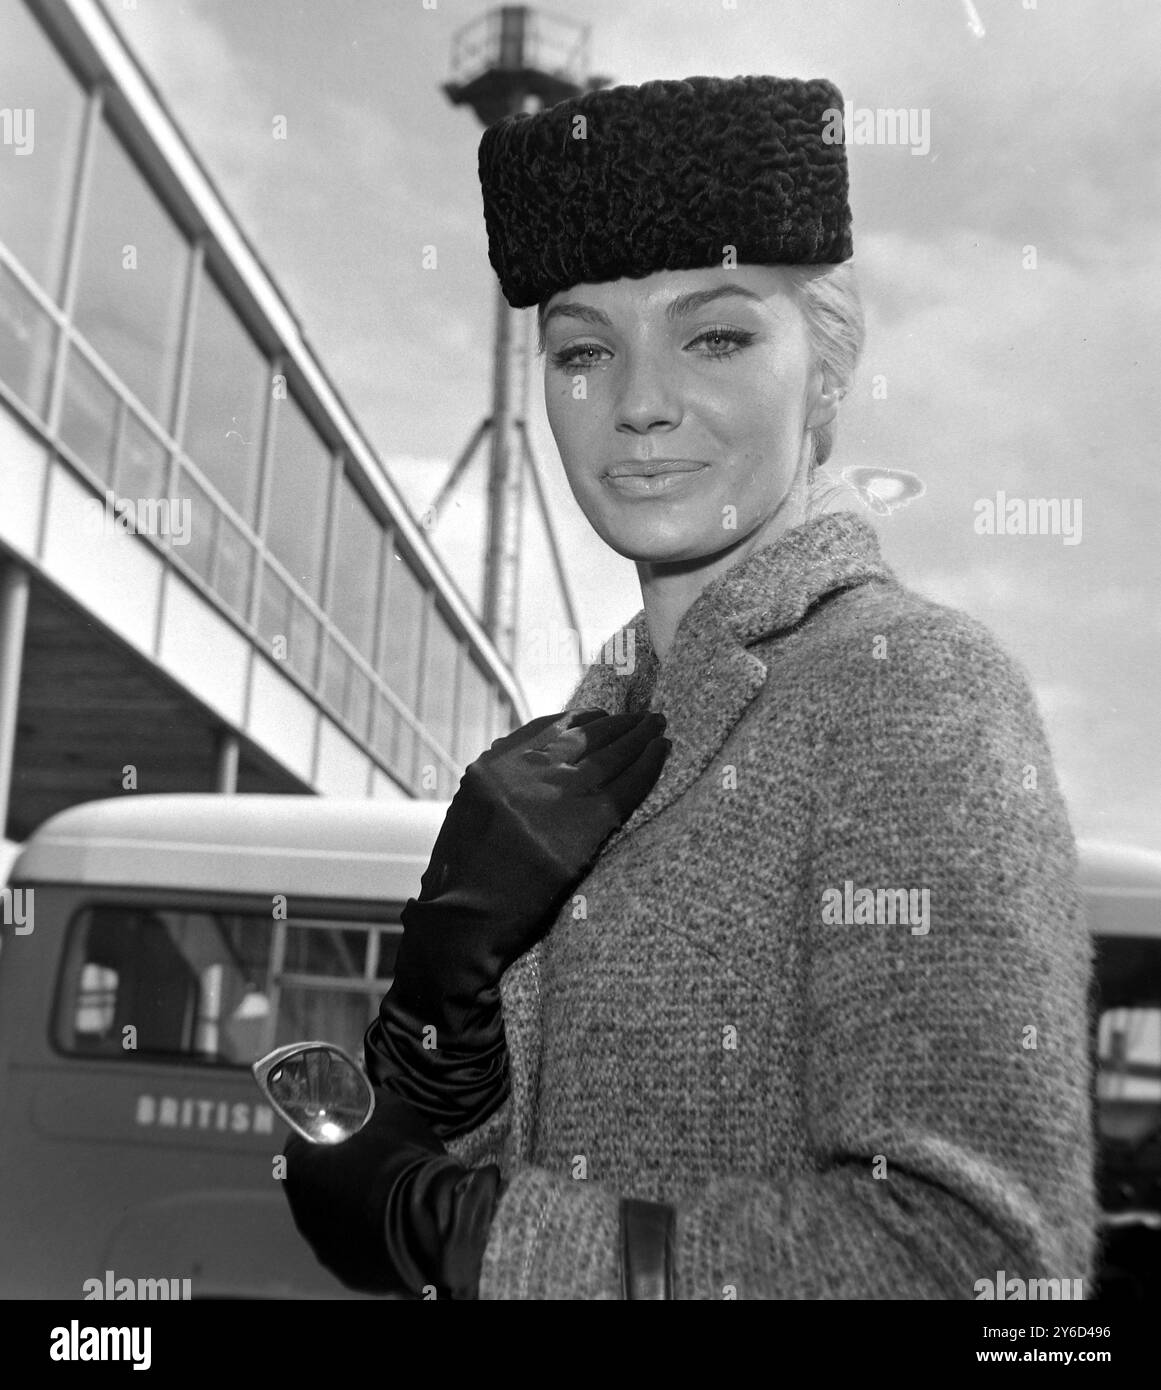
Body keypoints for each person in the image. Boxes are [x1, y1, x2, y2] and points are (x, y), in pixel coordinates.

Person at [281, 74, 1095, 1300]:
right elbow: (495, 1160)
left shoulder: (911, 690)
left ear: (824, 377)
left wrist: (466, 1233)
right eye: (582, 348)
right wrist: (439, 998)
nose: (640, 403)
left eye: (715, 334)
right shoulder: (592, 731)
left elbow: (982, 1268)